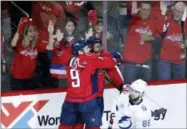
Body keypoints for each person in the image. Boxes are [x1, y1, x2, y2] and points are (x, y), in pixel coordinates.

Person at [59, 40, 117, 129]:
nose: (88, 49)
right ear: (79, 51)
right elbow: (109, 63)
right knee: (93, 126)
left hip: (70, 100)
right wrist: (114, 59)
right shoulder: (88, 61)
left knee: (66, 126)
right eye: (85, 48)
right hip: (86, 100)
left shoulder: (68, 60)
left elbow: (63, 54)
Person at [123, 1, 163, 83]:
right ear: (139, 9)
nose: (145, 12)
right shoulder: (133, 19)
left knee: (145, 88)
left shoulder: (153, 22)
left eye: (148, 10)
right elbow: (123, 21)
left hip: (146, 61)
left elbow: (159, 40)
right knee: (128, 88)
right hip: (131, 63)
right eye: (143, 9)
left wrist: (152, 38)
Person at [10, 17, 54, 90]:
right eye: (30, 31)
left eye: (34, 31)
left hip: (30, 79)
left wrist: (50, 33)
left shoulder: (36, 44)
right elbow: (12, 44)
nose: (33, 33)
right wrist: (19, 29)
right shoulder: (20, 42)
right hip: (17, 79)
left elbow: (50, 47)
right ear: (25, 32)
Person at [158, 2, 187, 80]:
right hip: (165, 59)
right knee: (164, 84)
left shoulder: (185, 23)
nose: (178, 14)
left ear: (184, 13)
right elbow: (158, 32)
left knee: (179, 85)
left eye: (181, 12)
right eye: (177, 11)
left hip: (180, 60)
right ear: (173, 9)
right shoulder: (166, 19)